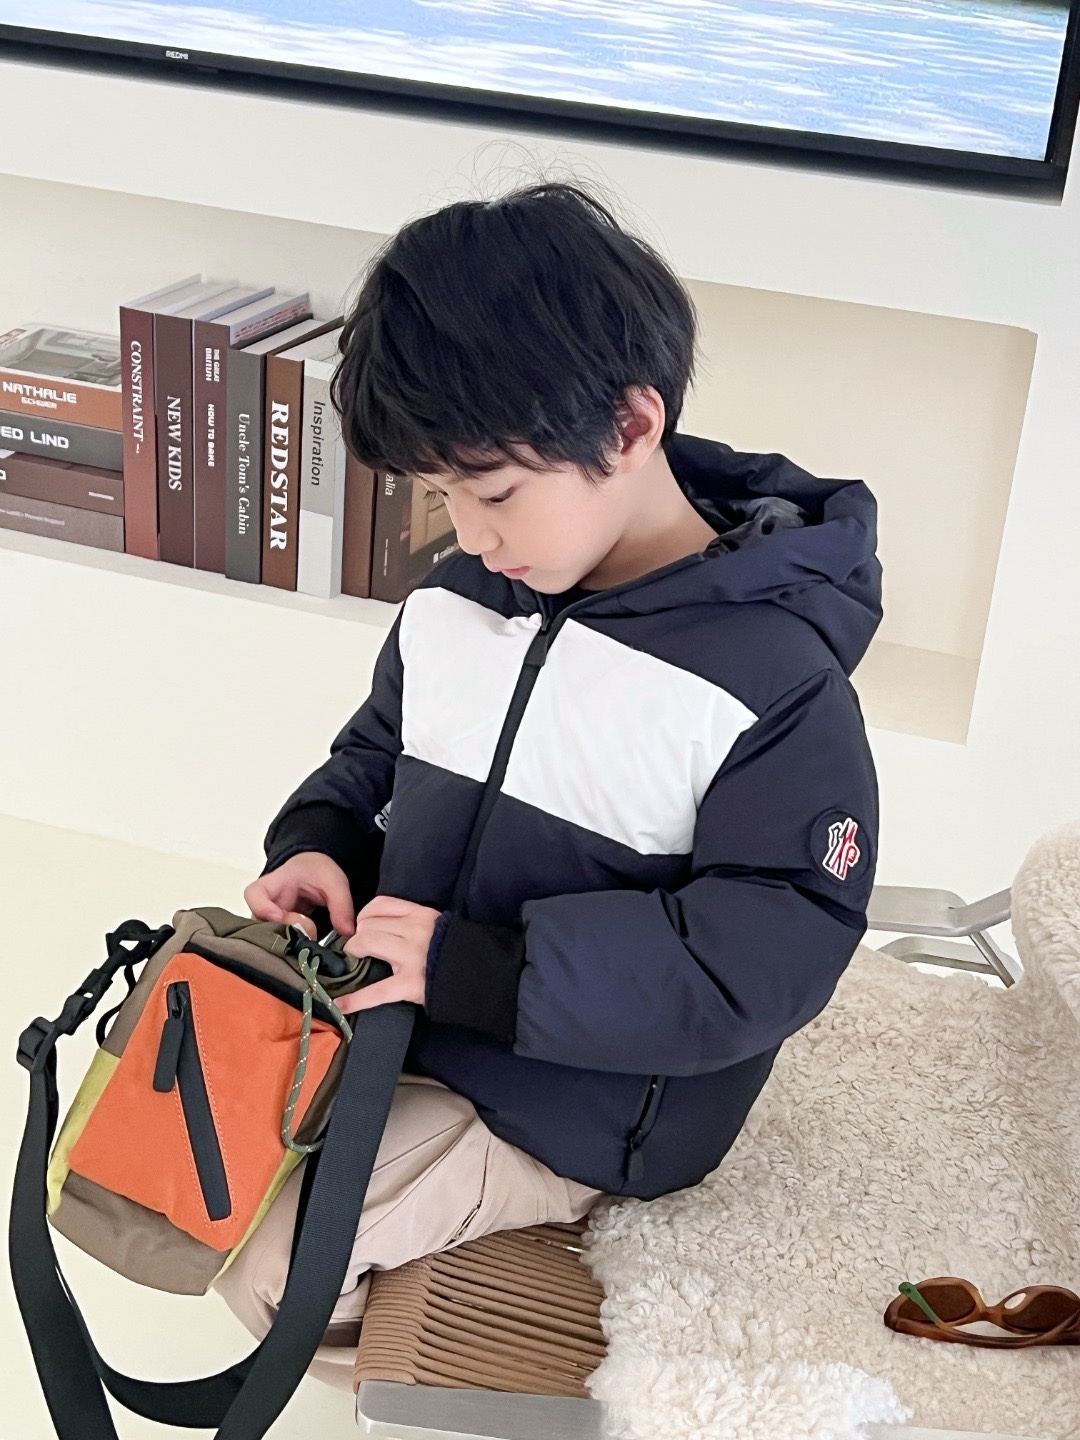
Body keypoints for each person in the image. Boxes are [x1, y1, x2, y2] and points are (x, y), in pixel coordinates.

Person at [217, 176, 882, 1390]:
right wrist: (320, 845)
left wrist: (477, 970)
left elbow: (765, 957)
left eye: (493, 493)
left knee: (269, 1266)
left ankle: (483, 1340)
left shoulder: (775, 684)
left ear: (630, 427)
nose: (468, 533)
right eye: (443, 496)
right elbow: (374, 758)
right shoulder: (460, 601)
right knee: (175, 1163)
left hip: (577, 1103)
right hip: (398, 1018)